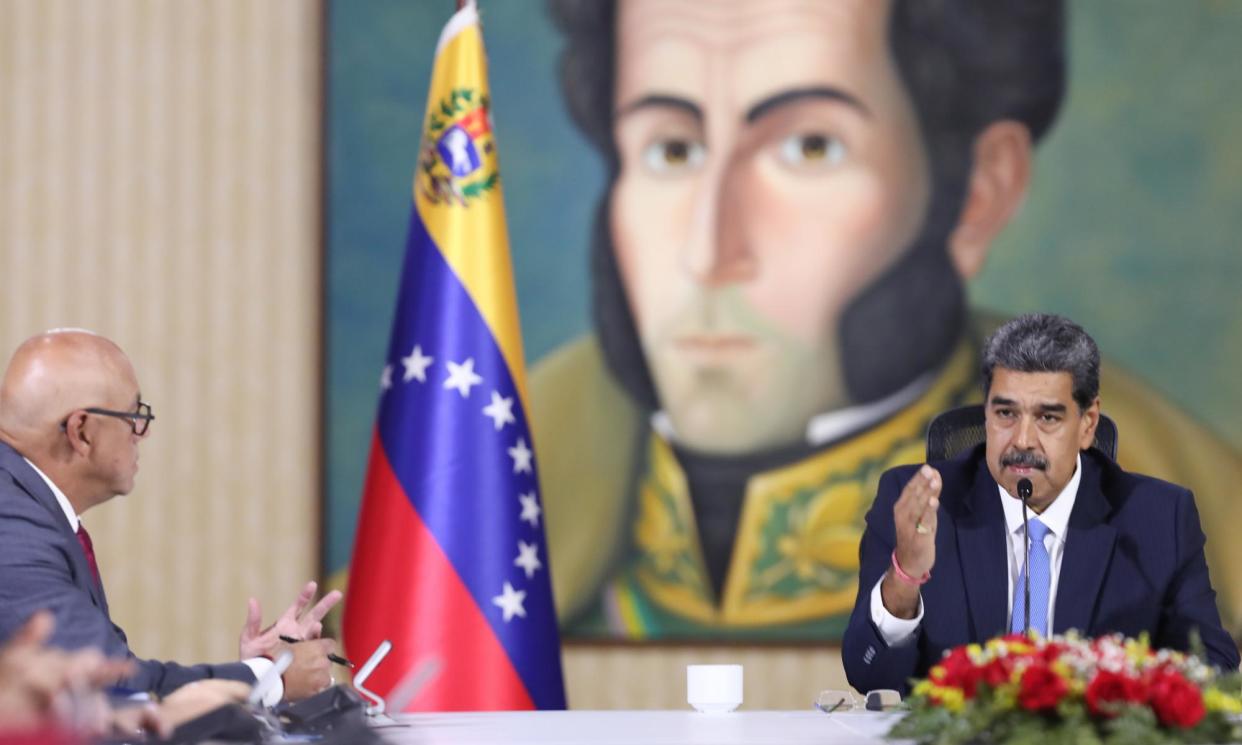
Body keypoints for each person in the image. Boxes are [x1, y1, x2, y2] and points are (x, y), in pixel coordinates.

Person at [533, 0, 1242, 639]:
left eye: (810, 146)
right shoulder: (491, 487)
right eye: (672, 149)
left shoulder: (1182, 516)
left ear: (977, 191)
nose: (708, 251)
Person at [842, 314, 1240, 693]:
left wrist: (1129, 688)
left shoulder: (1156, 517)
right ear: (986, 415)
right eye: (1005, 414)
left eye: (1047, 418)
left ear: (1087, 424)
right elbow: (868, 672)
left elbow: (1214, 663)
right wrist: (905, 578)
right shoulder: (923, 506)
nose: (1022, 440)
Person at [0, 329, 342, 703]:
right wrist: (268, 678)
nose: (140, 434)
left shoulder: (25, 507)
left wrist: (249, 674)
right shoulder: (12, 528)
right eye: (133, 416)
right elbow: (106, 685)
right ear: (81, 431)